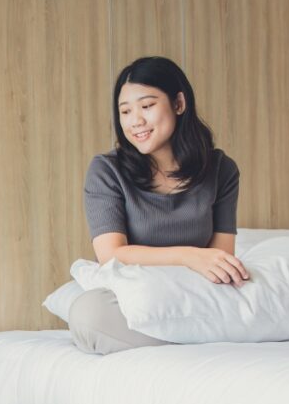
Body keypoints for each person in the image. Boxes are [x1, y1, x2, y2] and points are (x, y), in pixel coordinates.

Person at [70, 56, 250, 354]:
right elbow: (111, 254)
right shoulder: (106, 170)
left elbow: (219, 259)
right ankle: (196, 339)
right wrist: (189, 257)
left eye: (147, 106)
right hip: (140, 298)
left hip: (194, 296)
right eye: (125, 111)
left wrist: (201, 263)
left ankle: (193, 336)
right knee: (90, 313)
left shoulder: (220, 169)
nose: (135, 121)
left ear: (179, 103)